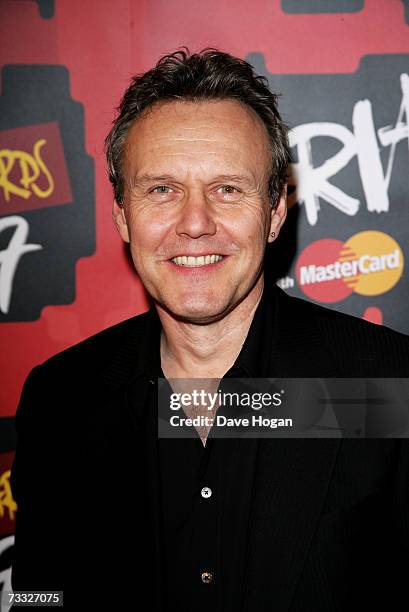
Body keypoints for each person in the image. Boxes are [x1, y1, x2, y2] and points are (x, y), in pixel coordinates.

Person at [10, 49, 409, 611]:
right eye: (161, 190)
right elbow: (38, 597)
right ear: (122, 213)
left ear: (274, 212)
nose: (194, 223)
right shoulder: (62, 400)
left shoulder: (388, 385)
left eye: (227, 188)